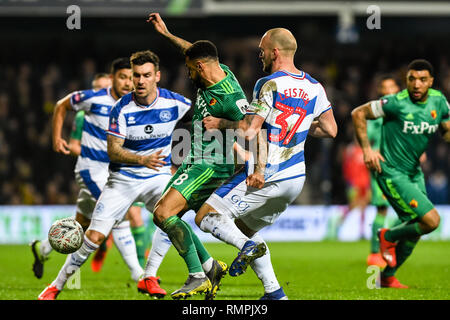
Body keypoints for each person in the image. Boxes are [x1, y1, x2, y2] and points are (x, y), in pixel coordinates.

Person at [196, 28, 337, 300]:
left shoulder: (268, 83)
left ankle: (246, 247)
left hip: (269, 172)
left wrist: (221, 123)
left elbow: (251, 130)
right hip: (295, 178)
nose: (259, 55)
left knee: (205, 216)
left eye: (261, 50)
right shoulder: (315, 87)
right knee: (243, 227)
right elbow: (331, 129)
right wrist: (301, 126)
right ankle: (275, 293)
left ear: (274, 52)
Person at [38, 50, 192, 300]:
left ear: (157, 77)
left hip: (157, 176)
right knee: (94, 236)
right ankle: (55, 286)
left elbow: (202, 120)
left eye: (146, 75)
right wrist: (142, 159)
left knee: (172, 218)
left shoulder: (176, 102)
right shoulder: (118, 107)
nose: (139, 81)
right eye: (135, 76)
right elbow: (113, 150)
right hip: (121, 179)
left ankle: (147, 276)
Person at [147, 13, 249, 300]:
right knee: (167, 216)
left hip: (211, 163)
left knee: (164, 213)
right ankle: (209, 267)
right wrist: (167, 34)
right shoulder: (216, 69)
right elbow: (193, 50)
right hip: (196, 158)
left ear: (201, 68)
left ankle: (197, 275)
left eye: (190, 69)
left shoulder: (229, 95)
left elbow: (250, 127)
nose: (188, 73)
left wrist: (221, 125)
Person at [30, 65, 143, 280]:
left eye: (131, 78)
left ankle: (43, 249)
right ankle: (139, 274)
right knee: (119, 213)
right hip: (92, 170)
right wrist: (58, 138)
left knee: (81, 222)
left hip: (112, 172)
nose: (128, 82)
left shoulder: (128, 106)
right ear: (112, 80)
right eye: (123, 77)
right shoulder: (88, 109)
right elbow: (66, 120)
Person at [351, 59, 450, 288]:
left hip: (415, 173)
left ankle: (387, 277)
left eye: (422, 80)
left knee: (417, 230)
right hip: (392, 172)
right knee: (431, 220)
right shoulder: (395, 103)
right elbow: (358, 114)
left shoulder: (440, 101)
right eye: (412, 79)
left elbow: (446, 129)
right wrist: (367, 150)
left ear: (431, 82)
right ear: (406, 80)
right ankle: (388, 236)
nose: (416, 84)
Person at [366, 75, 400, 267]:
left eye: (391, 86)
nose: (388, 91)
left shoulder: (404, 109)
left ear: (397, 89)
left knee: (410, 210)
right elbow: (368, 135)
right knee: (382, 209)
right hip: (382, 166)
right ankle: (374, 253)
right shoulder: (376, 110)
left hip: (402, 165)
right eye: (384, 88)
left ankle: (389, 242)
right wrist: (370, 152)